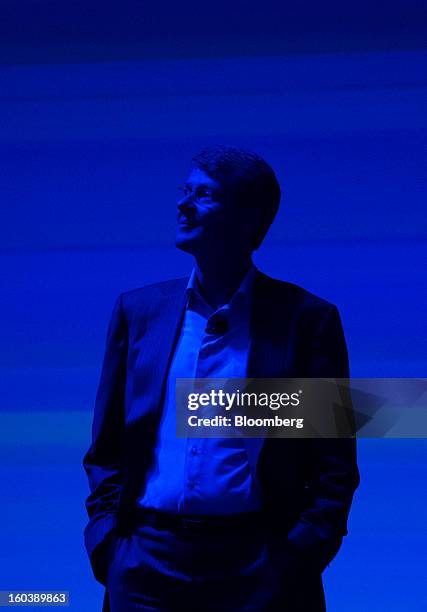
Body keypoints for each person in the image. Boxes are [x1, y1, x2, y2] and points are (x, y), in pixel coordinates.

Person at [83, 145, 360, 611]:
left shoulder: (305, 320)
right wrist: (108, 545)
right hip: (145, 565)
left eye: (204, 194)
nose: (183, 204)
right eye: (184, 190)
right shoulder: (139, 312)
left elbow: (333, 462)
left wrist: (298, 554)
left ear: (248, 218)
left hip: (259, 568)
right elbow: (108, 445)